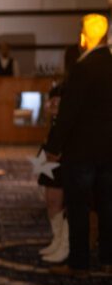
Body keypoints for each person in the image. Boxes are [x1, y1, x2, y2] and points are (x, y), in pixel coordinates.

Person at [46, 13, 112, 275]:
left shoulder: (82, 68)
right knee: (107, 206)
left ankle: (79, 263)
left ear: (85, 37)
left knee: (78, 207)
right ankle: (108, 259)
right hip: (109, 150)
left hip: (81, 151)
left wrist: (53, 146)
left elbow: (69, 113)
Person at [38, 43, 80, 264]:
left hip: (70, 148)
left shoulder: (78, 87)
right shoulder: (61, 87)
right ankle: (58, 240)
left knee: (65, 199)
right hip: (55, 144)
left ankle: (65, 243)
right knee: (52, 197)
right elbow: (51, 116)